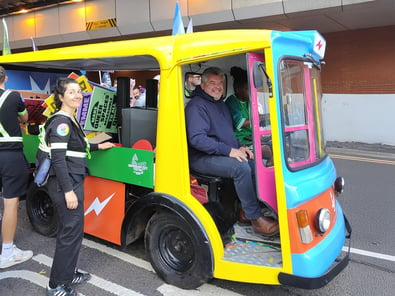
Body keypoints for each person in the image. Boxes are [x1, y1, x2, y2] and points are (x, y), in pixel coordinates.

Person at [35, 78, 114, 296]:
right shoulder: (62, 122)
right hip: (65, 184)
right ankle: (56, 285)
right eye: (71, 92)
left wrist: (99, 145)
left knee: (74, 230)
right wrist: (68, 191)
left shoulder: (70, 119)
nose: (77, 95)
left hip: (71, 180)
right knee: (69, 232)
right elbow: (59, 160)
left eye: (78, 92)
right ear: (61, 97)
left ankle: (67, 274)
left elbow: (79, 146)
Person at [185, 67, 279, 236]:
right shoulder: (196, 106)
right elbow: (197, 139)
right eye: (212, 83)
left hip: (218, 153)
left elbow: (228, 132)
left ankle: (245, 211)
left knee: (254, 164)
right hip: (201, 157)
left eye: (220, 83)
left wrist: (239, 146)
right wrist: (229, 151)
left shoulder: (220, 104)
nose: (218, 86)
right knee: (240, 167)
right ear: (203, 85)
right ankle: (256, 219)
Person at [0, 65, 33, 269]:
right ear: (6, 78)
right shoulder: (13, 96)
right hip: (10, 155)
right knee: (10, 202)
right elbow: (25, 118)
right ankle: (7, 252)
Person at [225, 66, 273, 166]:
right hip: (240, 140)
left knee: (281, 145)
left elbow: (258, 117)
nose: (251, 92)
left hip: (251, 137)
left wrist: (268, 116)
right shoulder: (232, 101)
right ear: (237, 90)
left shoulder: (249, 101)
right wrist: (262, 117)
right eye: (247, 89)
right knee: (268, 151)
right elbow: (240, 124)